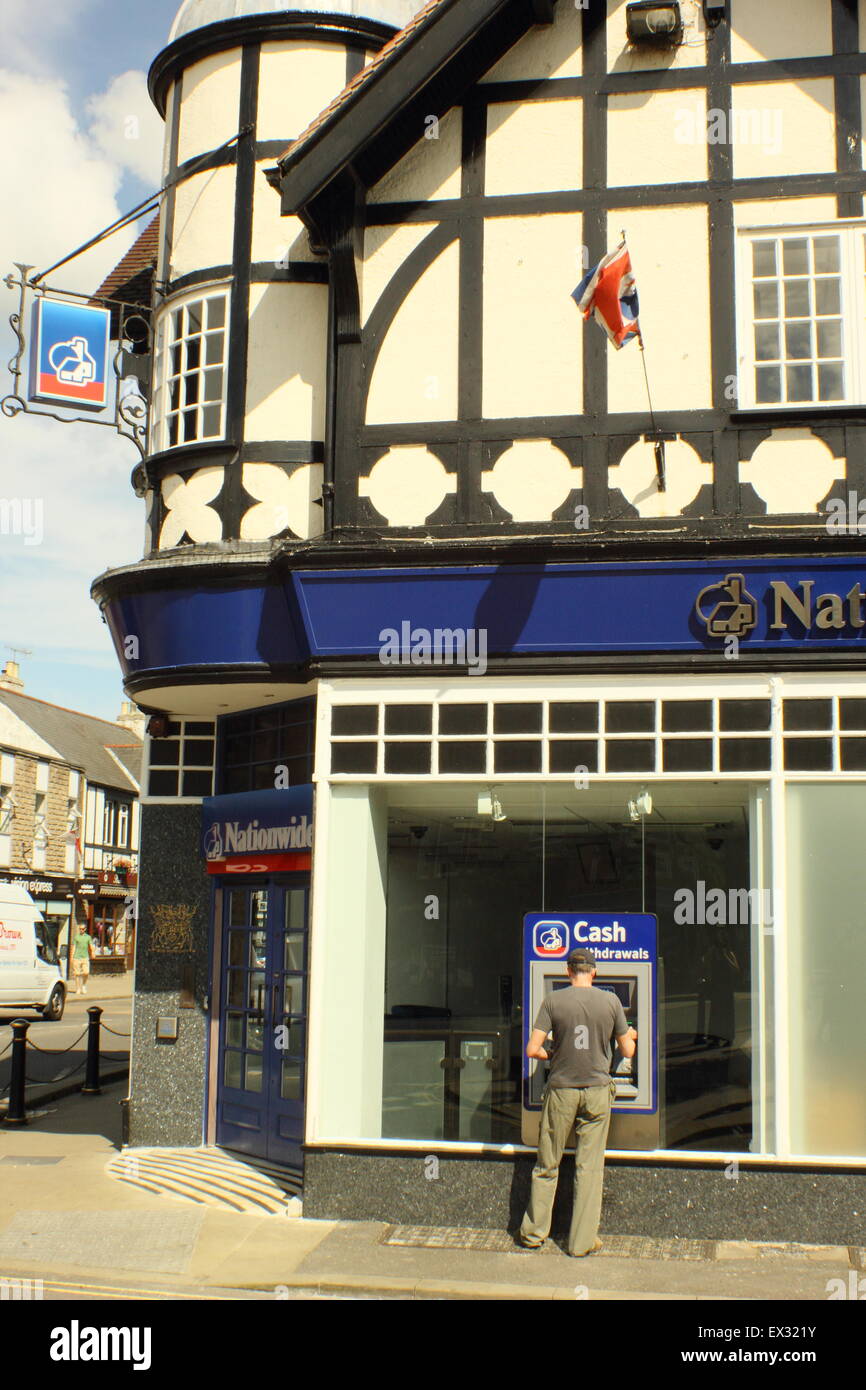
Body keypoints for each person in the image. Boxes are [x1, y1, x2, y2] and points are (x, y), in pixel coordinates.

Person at [517, 948, 637, 1257]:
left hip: (561, 1091)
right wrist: (630, 1035)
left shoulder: (553, 1000)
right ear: (594, 972)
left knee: (547, 1163)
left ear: (568, 972)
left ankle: (533, 1234)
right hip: (597, 1091)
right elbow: (628, 1051)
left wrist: (554, 1054)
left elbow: (533, 1049)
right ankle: (582, 1242)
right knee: (589, 1167)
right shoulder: (611, 1002)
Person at [71, 924, 94, 996]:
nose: (81, 930)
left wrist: (93, 952)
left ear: (85, 929)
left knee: (86, 972)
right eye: (80, 929)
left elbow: (91, 946)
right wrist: (72, 957)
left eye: (83, 929)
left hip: (85, 957)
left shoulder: (88, 937)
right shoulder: (76, 937)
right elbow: (74, 947)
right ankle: (78, 988)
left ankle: (83, 985)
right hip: (77, 957)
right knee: (77, 974)